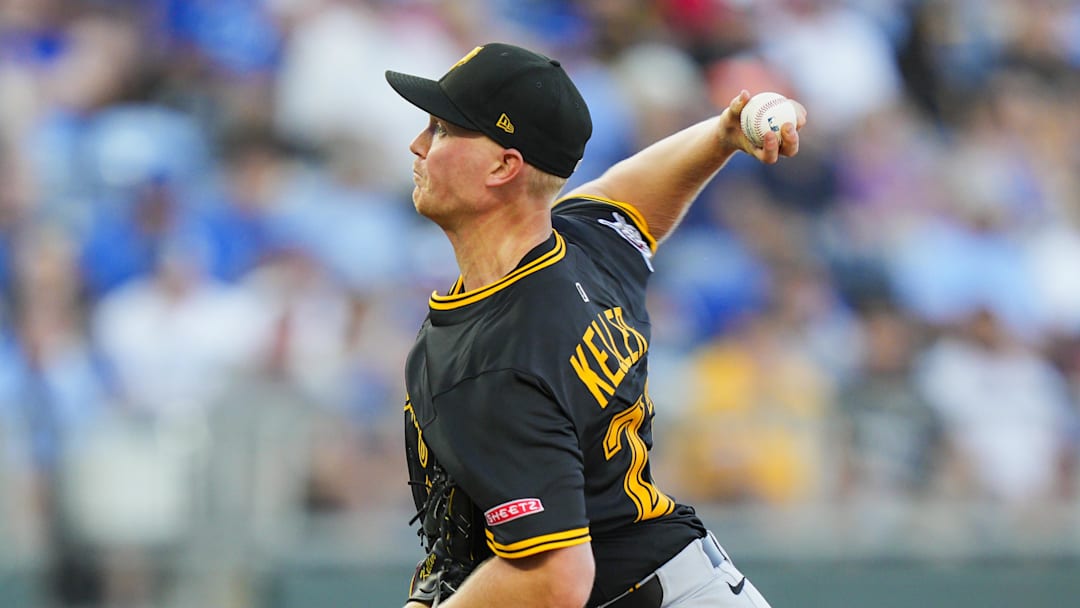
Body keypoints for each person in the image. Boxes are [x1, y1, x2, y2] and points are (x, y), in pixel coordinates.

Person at [385, 42, 805, 608]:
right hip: (679, 579)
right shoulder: (582, 247)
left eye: (441, 128)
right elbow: (632, 194)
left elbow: (553, 579)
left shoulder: (495, 358)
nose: (418, 144)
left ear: (504, 166)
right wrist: (721, 136)